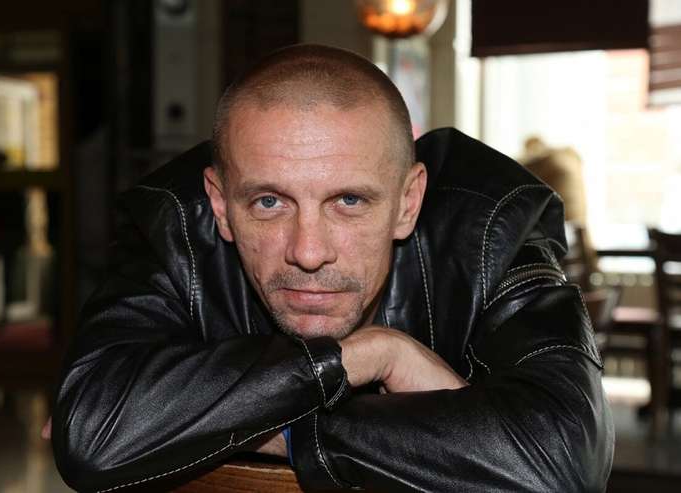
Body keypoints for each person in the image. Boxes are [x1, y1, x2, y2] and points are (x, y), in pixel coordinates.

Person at [52, 44, 613, 492]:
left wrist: (260, 426)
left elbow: (559, 467)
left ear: (408, 202)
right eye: (268, 202)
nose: (308, 251)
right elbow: (92, 434)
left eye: (349, 201)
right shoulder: (174, 227)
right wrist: (366, 357)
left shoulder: (491, 228)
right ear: (220, 204)